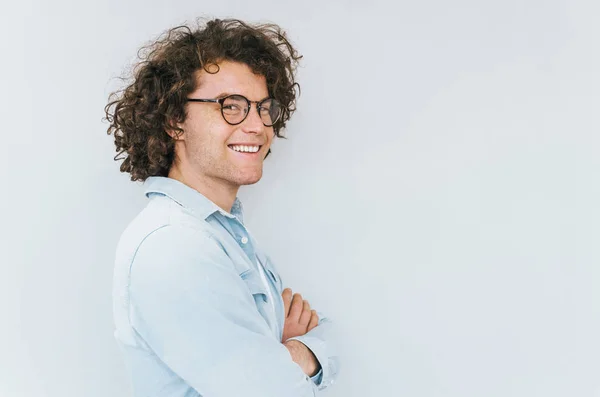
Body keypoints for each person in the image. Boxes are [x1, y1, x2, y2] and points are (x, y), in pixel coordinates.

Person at [105, 18, 339, 396]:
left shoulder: (225, 235)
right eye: (232, 106)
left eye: (264, 108)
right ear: (174, 121)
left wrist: (282, 358)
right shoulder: (174, 246)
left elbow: (326, 337)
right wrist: (299, 354)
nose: (258, 126)